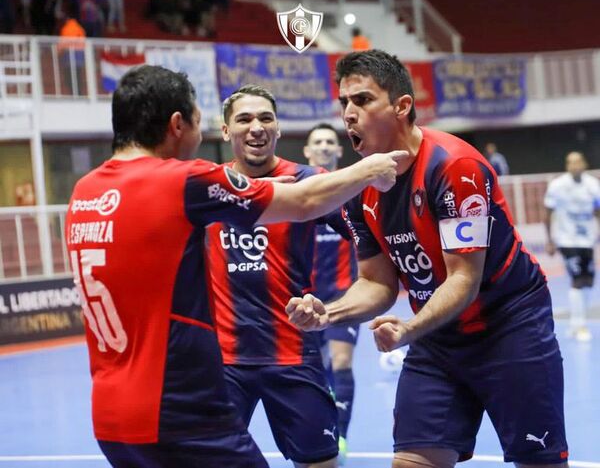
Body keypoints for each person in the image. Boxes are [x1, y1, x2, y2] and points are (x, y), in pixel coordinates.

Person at [65, 65, 403, 468]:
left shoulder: (84, 193)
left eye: (265, 118)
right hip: (184, 397)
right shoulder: (187, 182)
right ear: (178, 125)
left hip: (113, 409)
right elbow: (303, 201)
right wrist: (370, 167)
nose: (255, 128)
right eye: (201, 121)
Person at [287, 50, 569, 468]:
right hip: (437, 338)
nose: (348, 113)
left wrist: (409, 329)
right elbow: (378, 283)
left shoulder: (456, 167)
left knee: (540, 462)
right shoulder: (362, 186)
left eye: (362, 100)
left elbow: (463, 280)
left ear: (402, 107)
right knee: (412, 462)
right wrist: (328, 313)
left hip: (508, 327)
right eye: (344, 103)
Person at [205, 87, 351, 468]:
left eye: (265, 118)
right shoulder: (206, 186)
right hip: (224, 360)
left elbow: (365, 234)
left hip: (292, 352)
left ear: (279, 129)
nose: (256, 128)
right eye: (245, 119)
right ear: (225, 131)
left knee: (321, 462)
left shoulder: (307, 179)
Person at [303, 122, 359, 465]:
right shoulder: (297, 191)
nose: (323, 146)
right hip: (305, 297)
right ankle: (322, 429)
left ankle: (340, 435)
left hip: (345, 293)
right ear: (307, 151)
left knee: (341, 361)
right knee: (317, 369)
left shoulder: (354, 190)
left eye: (329, 142)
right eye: (317, 142)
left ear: (339, 151)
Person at [544, 151, 600, 342]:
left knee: (588, 281)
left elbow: (598, 210)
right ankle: (579, 324)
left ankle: (577, 324)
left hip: (587, 240)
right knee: (577, 280)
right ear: (567, 165)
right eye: (570, 163)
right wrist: (550, 240)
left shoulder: (593, 185)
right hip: (567, 240)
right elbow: (548, 212)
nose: (574, 166)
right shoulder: (557, 186)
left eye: (578, 162)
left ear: (584, 163)